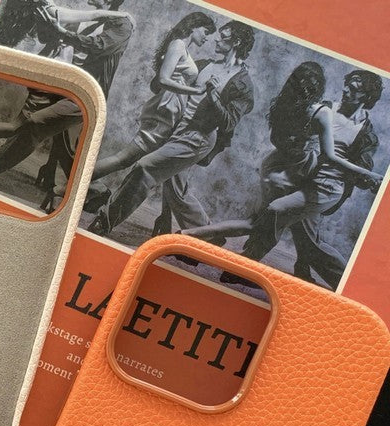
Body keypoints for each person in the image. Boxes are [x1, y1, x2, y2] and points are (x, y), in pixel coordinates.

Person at [88, 21, 256, 237]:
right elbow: (159, 85)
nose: (216, 39)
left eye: (223, 37)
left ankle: (104, 221)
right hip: (175, 128)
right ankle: (207, 236)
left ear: (237, 42)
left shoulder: (242, 84)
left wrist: (213, 95)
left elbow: (229, 123)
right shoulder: (205, 65)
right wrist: (165, 70)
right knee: (176, 189)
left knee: (145, 168)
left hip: (197, 138)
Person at [220, 70, 383, 288]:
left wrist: (367, 177)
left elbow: (361, 172)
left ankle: (348, 285)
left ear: (367, 97)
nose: (345, 90)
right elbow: (290, 134)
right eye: (347, 84)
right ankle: (310, 273)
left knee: (282, 217)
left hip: (323, 187)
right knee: (304, 236)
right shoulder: (325, 108)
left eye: (354, 89)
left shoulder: (366, 134)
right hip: (298, 175)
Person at [0, 0, 135, 192]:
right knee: (53, 143)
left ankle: (94, 191)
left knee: (37, 127)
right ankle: (69, 183)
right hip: (61, 84)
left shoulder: (122, 25)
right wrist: (50, 27)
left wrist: (61, 31)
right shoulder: (89, 15)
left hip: (82, 93)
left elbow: (98, 45)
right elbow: (51, 33)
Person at [72, 12, 215, 210]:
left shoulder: (183, 48)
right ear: (194, 26)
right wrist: (195, 90)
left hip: (170, 109)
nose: (207, 38)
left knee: (131, 159)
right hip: (165, 110)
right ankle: (71, 185)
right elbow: (163, 79)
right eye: (206, 32)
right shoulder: (178, 45)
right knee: (126, 158)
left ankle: (83, 187)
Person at [180, 61, 328, 245]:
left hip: (275, 166)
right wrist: (300, 151)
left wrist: (294, 149)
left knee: (259, 222)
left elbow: (275, 139)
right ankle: (190, 234)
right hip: (288, 172)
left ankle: (191, 234)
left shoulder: (286, 105)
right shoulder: (316, 111)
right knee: (258, 223)